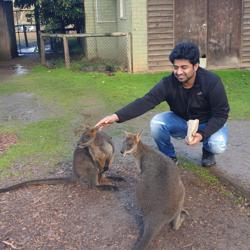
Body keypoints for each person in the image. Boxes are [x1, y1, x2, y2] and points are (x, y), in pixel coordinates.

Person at [95, 42, 229, 167]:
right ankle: (169, 157)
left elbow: (221, 114)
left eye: (184, 67)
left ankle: (208, 151)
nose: (179, 72)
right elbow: (146, 101)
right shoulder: (168, 83)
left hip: (208, 122)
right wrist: (115, 116)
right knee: (157, 123)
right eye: (175, 67)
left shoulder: (212, 82)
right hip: (182, 120)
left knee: (217, 144)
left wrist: (201, 134)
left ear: (195, 66)